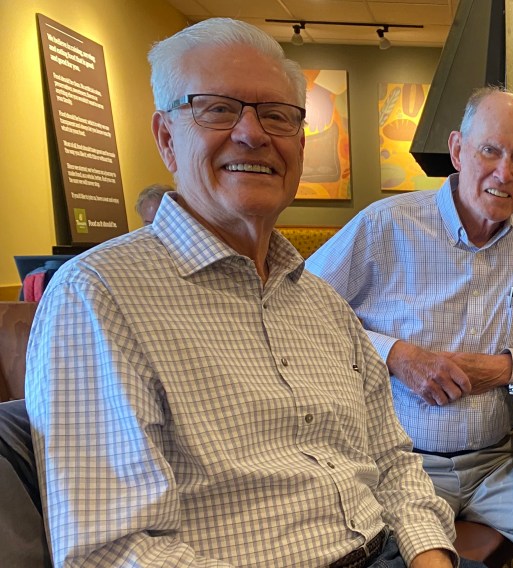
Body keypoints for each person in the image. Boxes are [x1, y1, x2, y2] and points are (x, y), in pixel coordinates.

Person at [26, 18, 477, 568]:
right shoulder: (96, 298)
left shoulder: (324, 305)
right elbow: (114, 552)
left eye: (277, 115)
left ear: (300, 144)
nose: (252, 134)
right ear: (166, 138)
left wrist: (431, 556)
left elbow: (393, 460)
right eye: (217, 108)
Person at [307, 87, 513, 568]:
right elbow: (303, 313)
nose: (505, 173)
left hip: (500, 463)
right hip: (399, 466)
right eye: (490, 151)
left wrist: (499, 369)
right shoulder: (386, 225)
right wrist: (397, 355)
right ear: (458, 150)